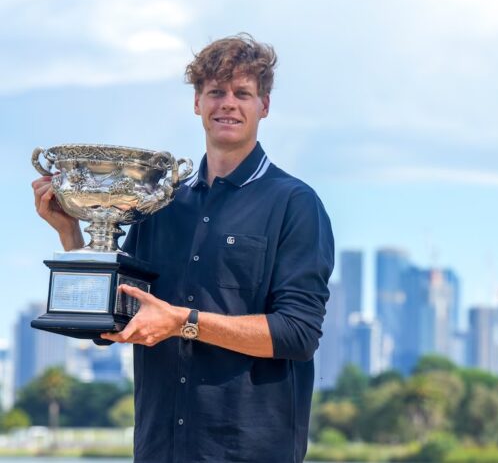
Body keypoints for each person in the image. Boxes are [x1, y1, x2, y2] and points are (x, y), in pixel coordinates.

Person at [31, 33, 334, 462]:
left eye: (242, 93)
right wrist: (72, 235)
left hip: (249, 452)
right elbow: (114, 317)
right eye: (216, 92)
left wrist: (182, 322)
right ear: (197, 103)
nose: (228, 102)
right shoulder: (159, 202)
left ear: (264, 106)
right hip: (159, 448)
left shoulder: (294, 204)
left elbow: (298, 334)